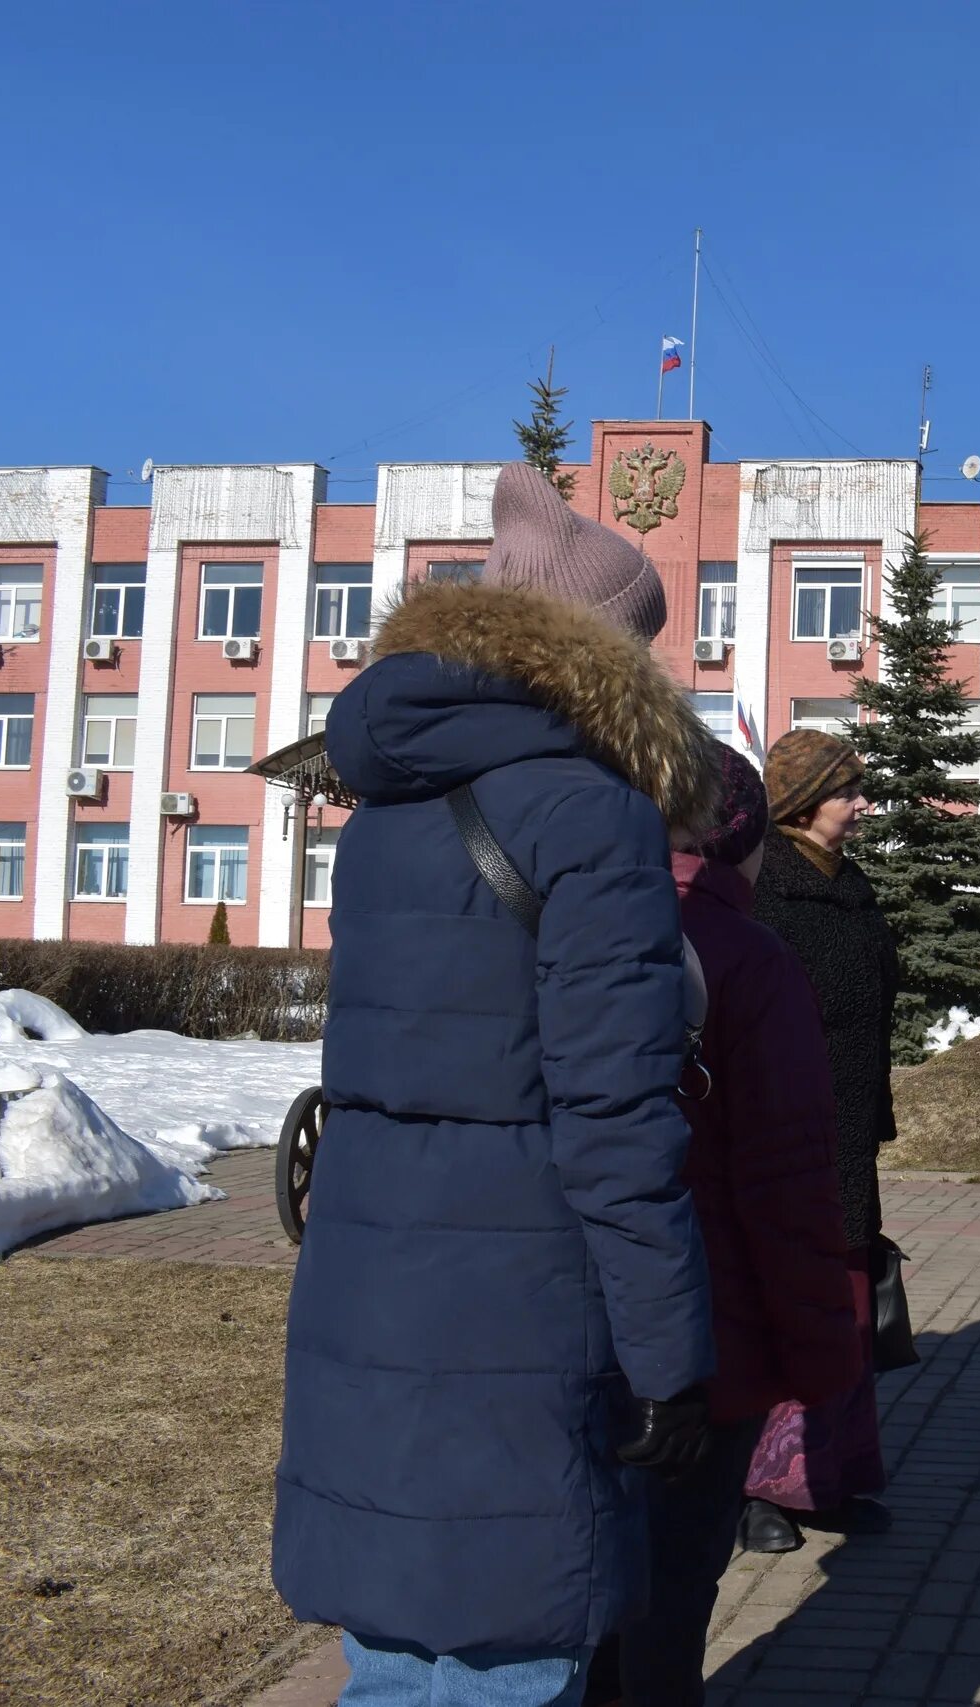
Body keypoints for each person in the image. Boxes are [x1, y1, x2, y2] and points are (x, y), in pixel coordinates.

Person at [275, 464, 718, 1707]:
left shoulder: (390, 802)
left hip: (373, 1284)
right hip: (519, 1304)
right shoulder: (590, 815)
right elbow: (614, 1120)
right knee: (509, 1656)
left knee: (399, 1651)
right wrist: (672, 1360)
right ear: (606, 654)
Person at [594, 740, 867, 1707]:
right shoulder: (750, 959)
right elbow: (790, 1188)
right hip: (710, 1340)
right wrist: (823, 1358)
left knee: (584, 1591)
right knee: (668, 1603)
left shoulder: (563, 928)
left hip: (574, 1328)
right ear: (746, 839)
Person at [741, 727, 900, 1544]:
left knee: (846, 1305)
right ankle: (763, 1488)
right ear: (805, 801)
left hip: (847, 1133)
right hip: (783, 1134)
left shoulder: (853, 882)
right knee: (790, 1304)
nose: (862, 803)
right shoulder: (765, 887)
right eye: (849, 791)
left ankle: (831, 1474)